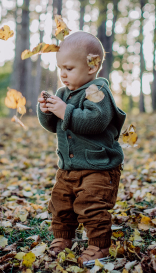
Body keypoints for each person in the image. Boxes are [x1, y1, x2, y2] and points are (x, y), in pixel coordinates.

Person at [37, 31, 127, 267]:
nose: (63, 74)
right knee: (60, 203)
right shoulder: (62, 94)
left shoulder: (97, 92)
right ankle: (63, 239)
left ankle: (99, 246)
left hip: (98, 168)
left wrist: (64, 110)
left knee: (92, 206)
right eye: (60, 68)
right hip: (68, 167)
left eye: (69, 68)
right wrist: (46, 111)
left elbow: (94, 122)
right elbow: (53, 126)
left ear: (92, 66)